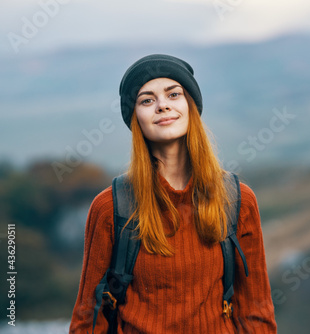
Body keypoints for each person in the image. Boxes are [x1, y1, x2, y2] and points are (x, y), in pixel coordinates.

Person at [69, 54, 277, 333]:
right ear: (136, 119)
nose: (162, 105)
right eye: (147, 100)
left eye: (173, 94)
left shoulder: (237, 200)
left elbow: (256, 313)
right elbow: (88, 318)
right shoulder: (111, 207)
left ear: (190, 105)